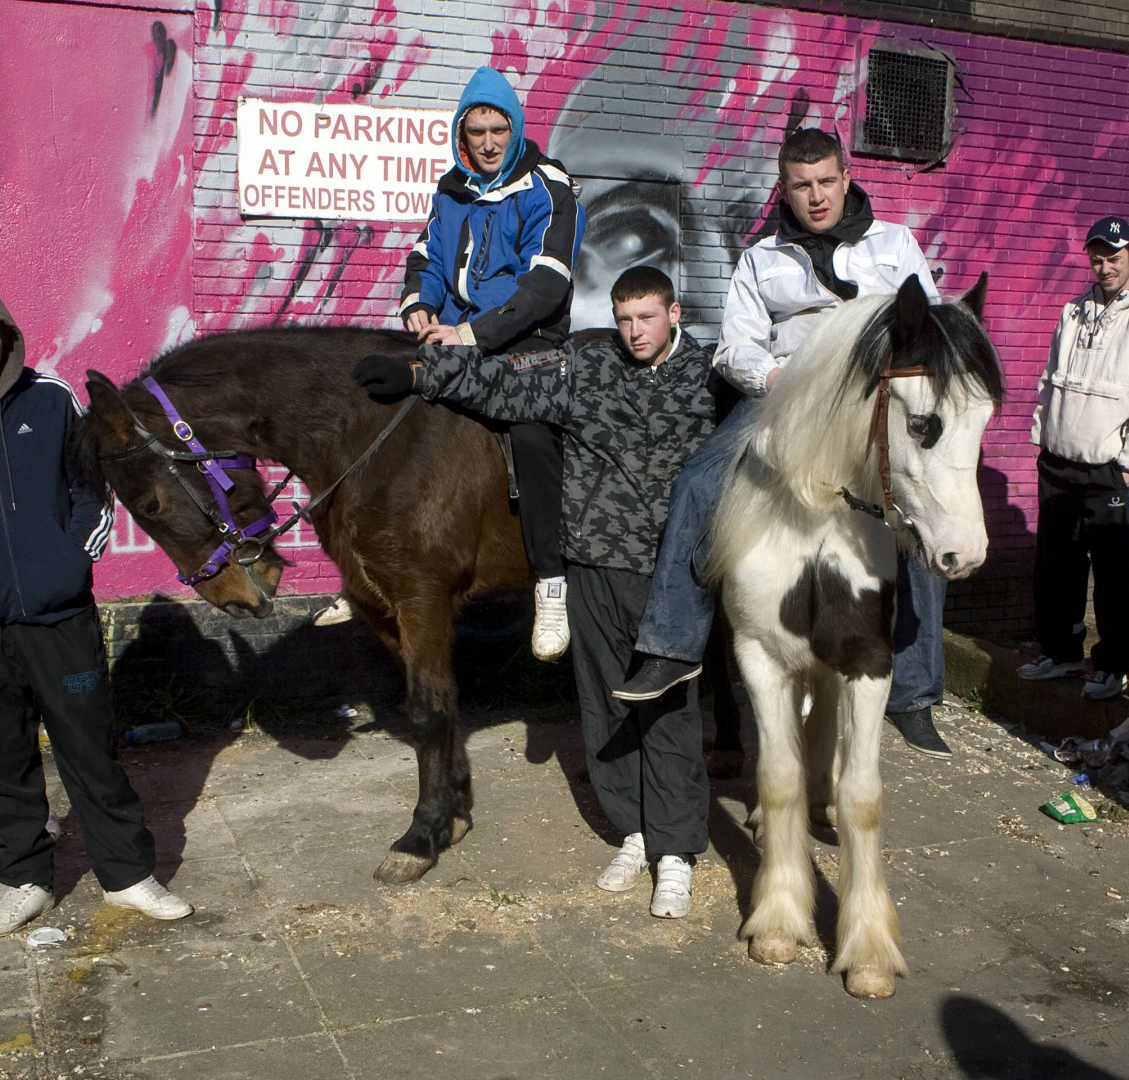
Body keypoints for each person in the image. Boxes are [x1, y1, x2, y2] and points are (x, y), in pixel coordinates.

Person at [354, 267, 718, 919]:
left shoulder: (708, 377)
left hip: (671, 574)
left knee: (668, 710)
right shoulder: (588, 368)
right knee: (605, 709)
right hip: (592, 566)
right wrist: (415, 375)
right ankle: (634, 834)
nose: (634, 331)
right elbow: (497, 389)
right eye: (625, 318)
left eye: (647, 318)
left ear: (675, 313)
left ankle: (676, 854)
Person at [610, 127, 955, 758]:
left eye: (826, 181)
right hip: (786, 397)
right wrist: (780, 379)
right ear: (785, 190)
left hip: (871, 402)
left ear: (846, 179)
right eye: (802, 186)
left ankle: (913, 692)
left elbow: (926, 327)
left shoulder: (893, 243)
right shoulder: (761, 258)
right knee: (699, 482)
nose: (816, 196)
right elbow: (735, 346)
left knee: (920, 504)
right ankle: (670, 646)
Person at [0, 277, 192, 937]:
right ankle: (25, 879)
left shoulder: (50, 400)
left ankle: (127, 876)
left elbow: (90, 486)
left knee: (89, 748)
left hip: (60, 619)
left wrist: (70, 558)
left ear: (5, 338)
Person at [318, 67, 586, 662]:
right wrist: (419, 304)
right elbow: (427, 258)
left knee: (532, 430)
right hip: (453, 333)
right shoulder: (452, 188)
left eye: (499, 129)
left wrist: (468, 332)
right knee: (377, 407)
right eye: (477, 130)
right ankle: (363, 574)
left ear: (515, 129)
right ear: (461, 134)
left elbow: (543, 287)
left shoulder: (549, 189)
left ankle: (550, 581)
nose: (488, 142)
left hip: (526, 340)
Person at [1019, 216, 1129, 701]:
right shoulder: (1073, 310)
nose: (1105, 266)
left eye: (1114, 256)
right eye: (1097, 257)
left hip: (1108, 467)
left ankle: (1113, 663)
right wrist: (1043, 437)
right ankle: (1061, 652)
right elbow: (1050, 377)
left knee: (1112, 571)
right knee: (1056, 563)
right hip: (1060, 460)